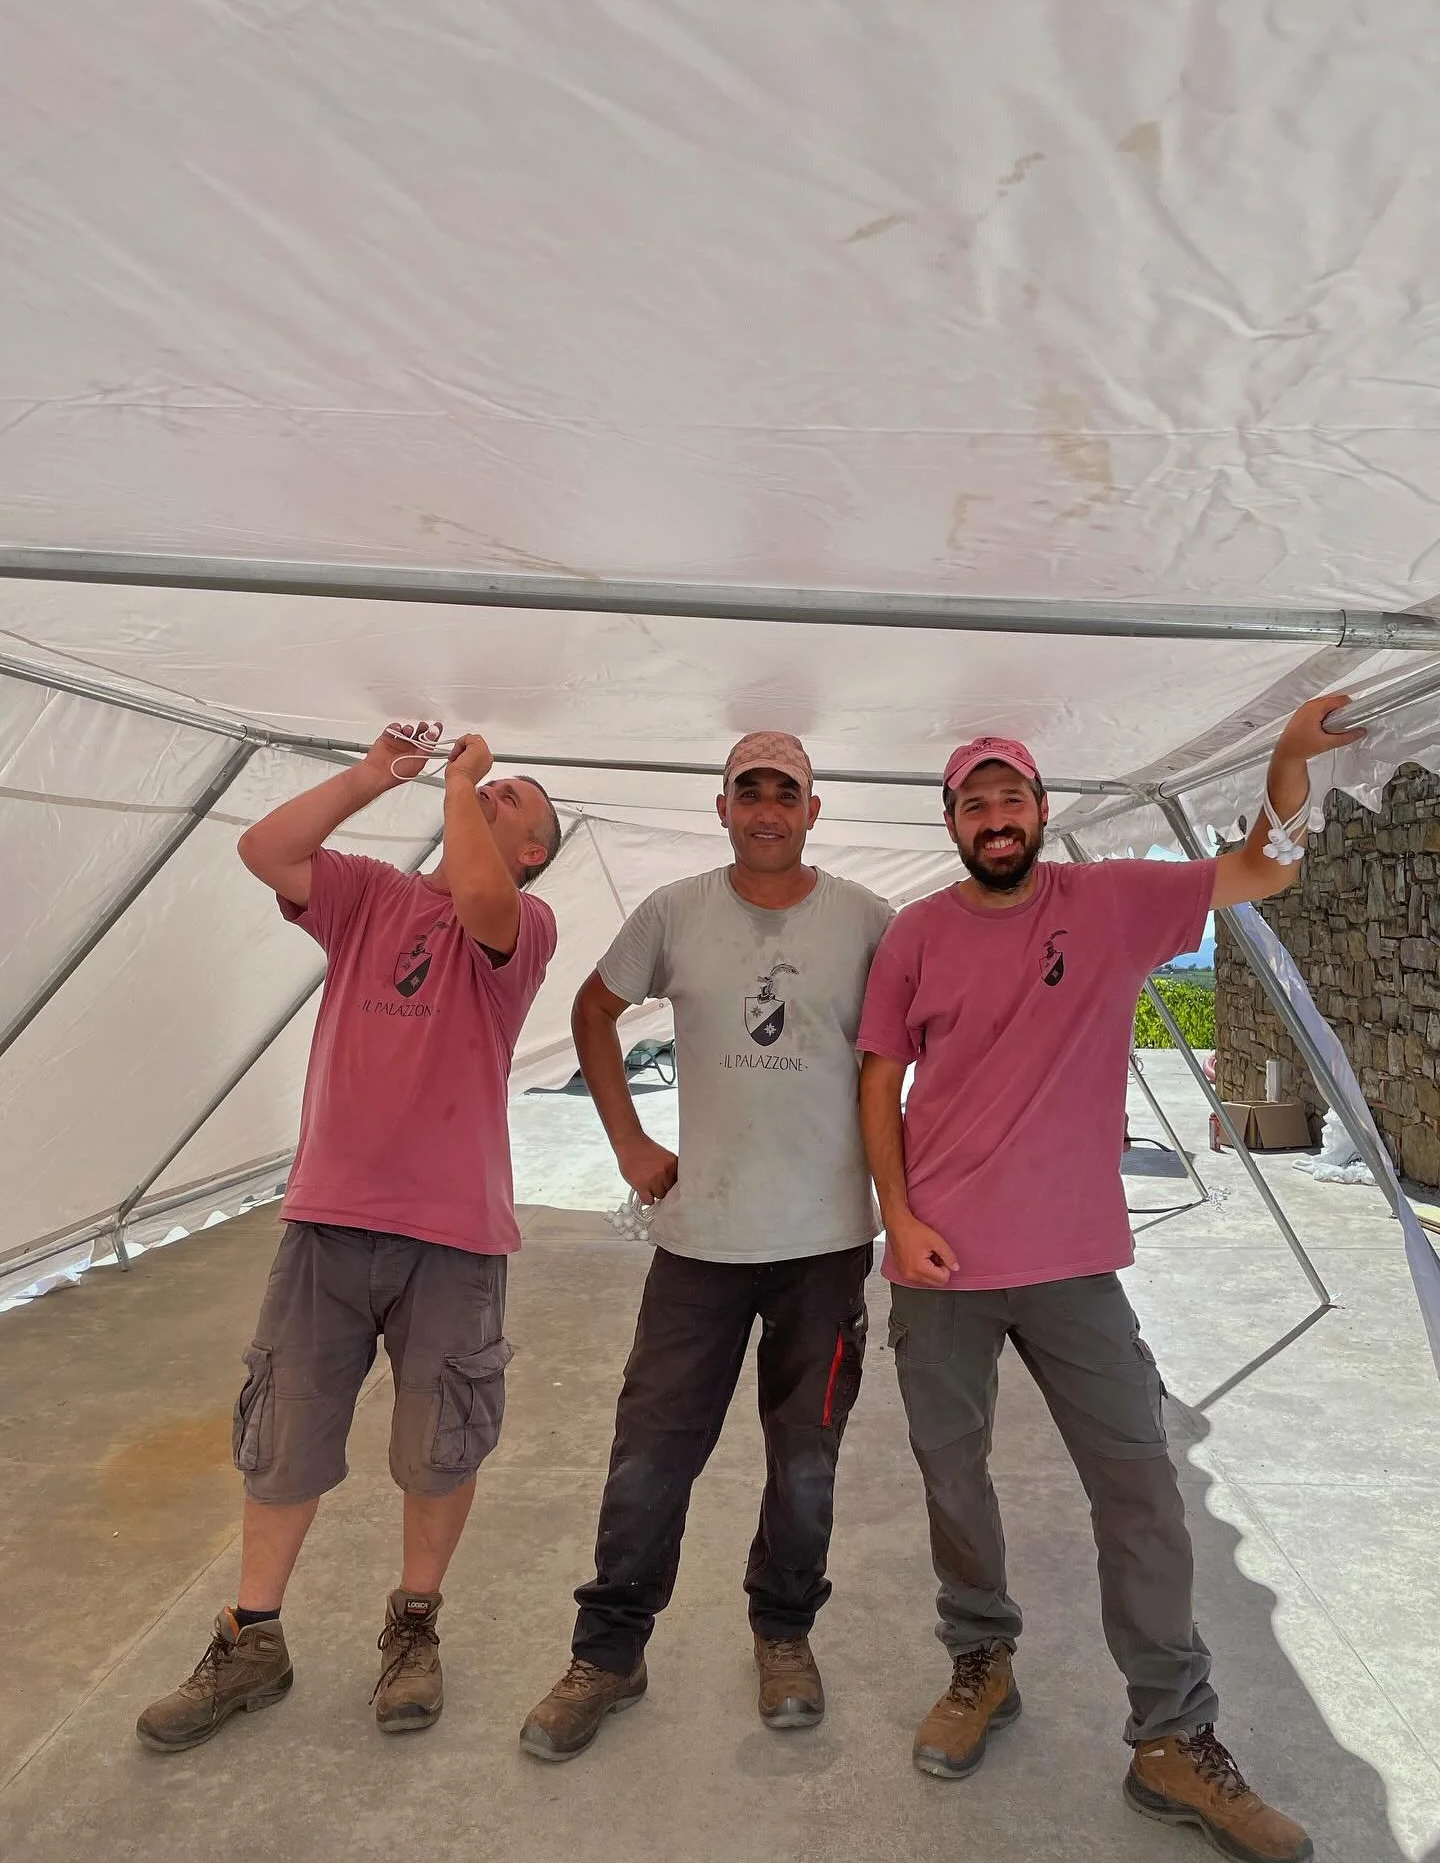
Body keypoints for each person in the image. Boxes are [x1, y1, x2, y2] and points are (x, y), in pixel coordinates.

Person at [857, 695, 1363, 1863]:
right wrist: (897, 1215)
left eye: (1012, 797)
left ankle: (1173, 1740)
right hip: (940, 1261)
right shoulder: (916, 935)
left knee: (1139, 1489)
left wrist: (1288, 757)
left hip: (1076, 1260)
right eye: (974, 802)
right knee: (953, 1476)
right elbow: (879, 1083)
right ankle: (981, 1662)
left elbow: (1260, 872)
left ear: (1042, 811)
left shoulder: (1114, 901)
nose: (995, 816)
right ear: (951, 821)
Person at [136, 721, 561, 1753]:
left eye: (515, 803)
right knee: (282, 1432)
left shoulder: (522, 921)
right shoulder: (370, 895)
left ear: (533, 851)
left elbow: (482, 901)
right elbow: (265, 853)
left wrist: (463, 784)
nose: (493, 794)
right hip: (328, 1219)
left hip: (453, 1234)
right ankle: (253, 1638)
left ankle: (413, 1629)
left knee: (439, 1443)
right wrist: (376, 776)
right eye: (490, 789)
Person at [519, 732, 893, 1761]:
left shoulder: (867, 921)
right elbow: (593, 1010)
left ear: (815, 810)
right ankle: (609, 1651)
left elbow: (913, 1048)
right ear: (721, 807)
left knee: (806, 1462)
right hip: (701, 1240)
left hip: (825, 1244)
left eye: (788, 794)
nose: (768, 810)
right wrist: (630, 1141)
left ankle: (783, 1633)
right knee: (651, 1453)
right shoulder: (674, 912)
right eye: (749, 793)